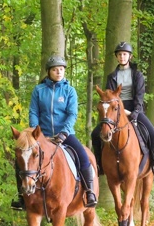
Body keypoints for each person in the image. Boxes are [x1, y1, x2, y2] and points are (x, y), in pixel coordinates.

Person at [11, 55, 98, 210]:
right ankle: (22, 197)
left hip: (65, 134)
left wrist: (64, 133)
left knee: (84, 157)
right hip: (41, 136)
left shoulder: (69, 91)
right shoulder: (39, 90)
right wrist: (35, 132)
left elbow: (72, 114)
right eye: (55, 69)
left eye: (61, 69)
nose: (58, 72)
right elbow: (33, 112)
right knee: (22, 160)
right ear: (49, 72)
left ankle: (90, 191)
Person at [92, 41, 154, 177]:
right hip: (115, 110)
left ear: (129, 56)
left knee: (152, 134)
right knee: (95, 134)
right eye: (119, 55)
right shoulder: (111, 76)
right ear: (117, 57)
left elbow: (140, 95)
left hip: (133, 108)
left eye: (124, 54)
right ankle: (99, 164)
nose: (122, 57)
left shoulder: (137, 75)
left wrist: (136, 111)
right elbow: (108, 96)